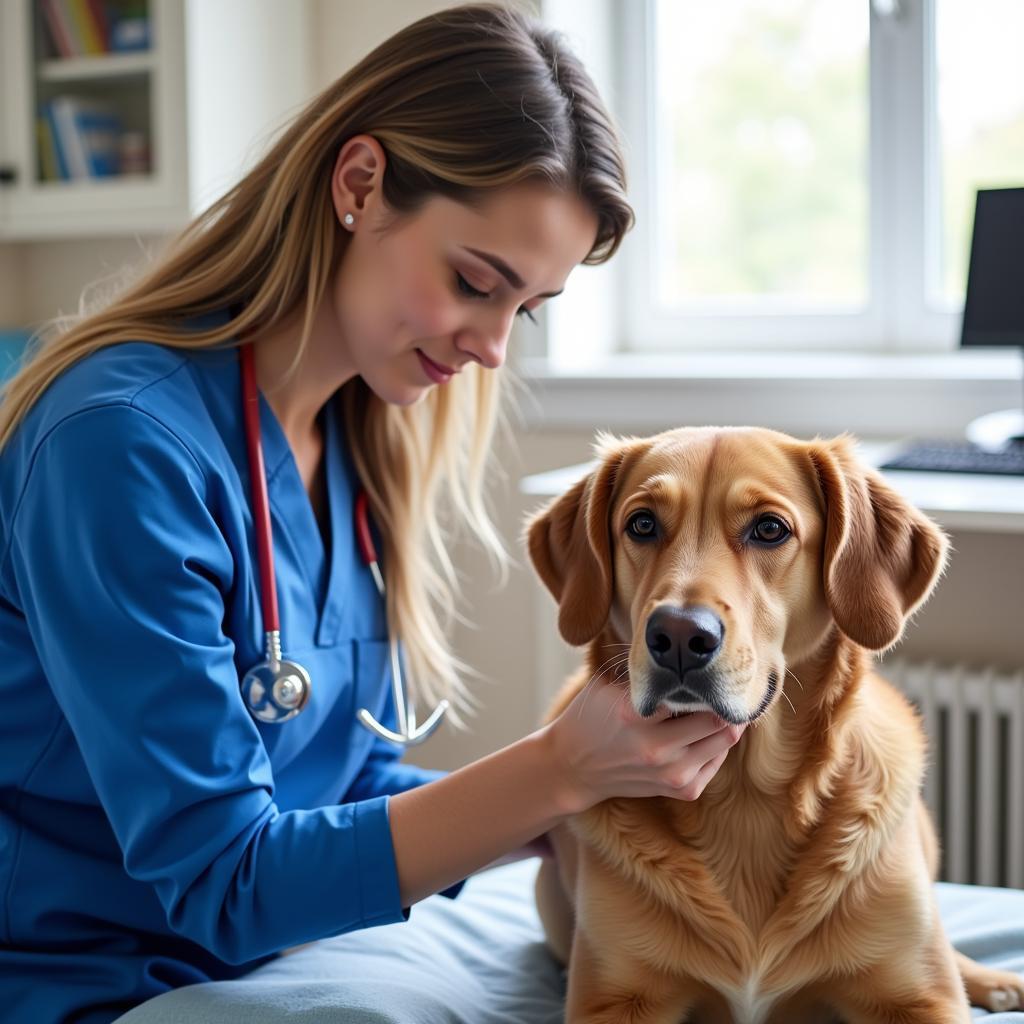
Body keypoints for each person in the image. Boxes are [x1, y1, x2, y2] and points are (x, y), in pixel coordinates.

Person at [0, 5, 744, 1021]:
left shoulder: (350, 435)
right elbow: (226, 875)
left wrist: (577, 808)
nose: (490, 346)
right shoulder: (116, 445)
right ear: (359, 184)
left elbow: (326, 770)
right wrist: (551, 774)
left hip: (260, 957)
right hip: (82, 976)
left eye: (522, 310)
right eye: (475, 282)